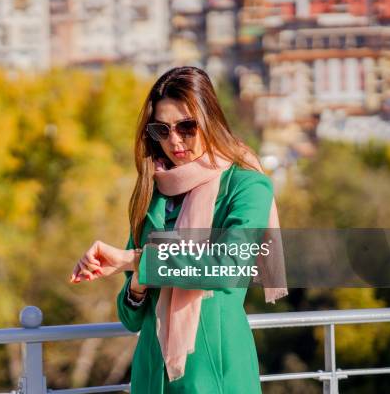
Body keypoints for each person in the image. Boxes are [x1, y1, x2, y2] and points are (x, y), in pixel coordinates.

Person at [70, 66, 287, 393]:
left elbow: (230, 265)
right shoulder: (154, 193)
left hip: (215, 374)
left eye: (186, 127)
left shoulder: (247, 186)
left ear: (210, 120)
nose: (174, 141)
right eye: (161, 130)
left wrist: (138, 261)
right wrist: (139, 283)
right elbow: (131, 320)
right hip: (152, 376)